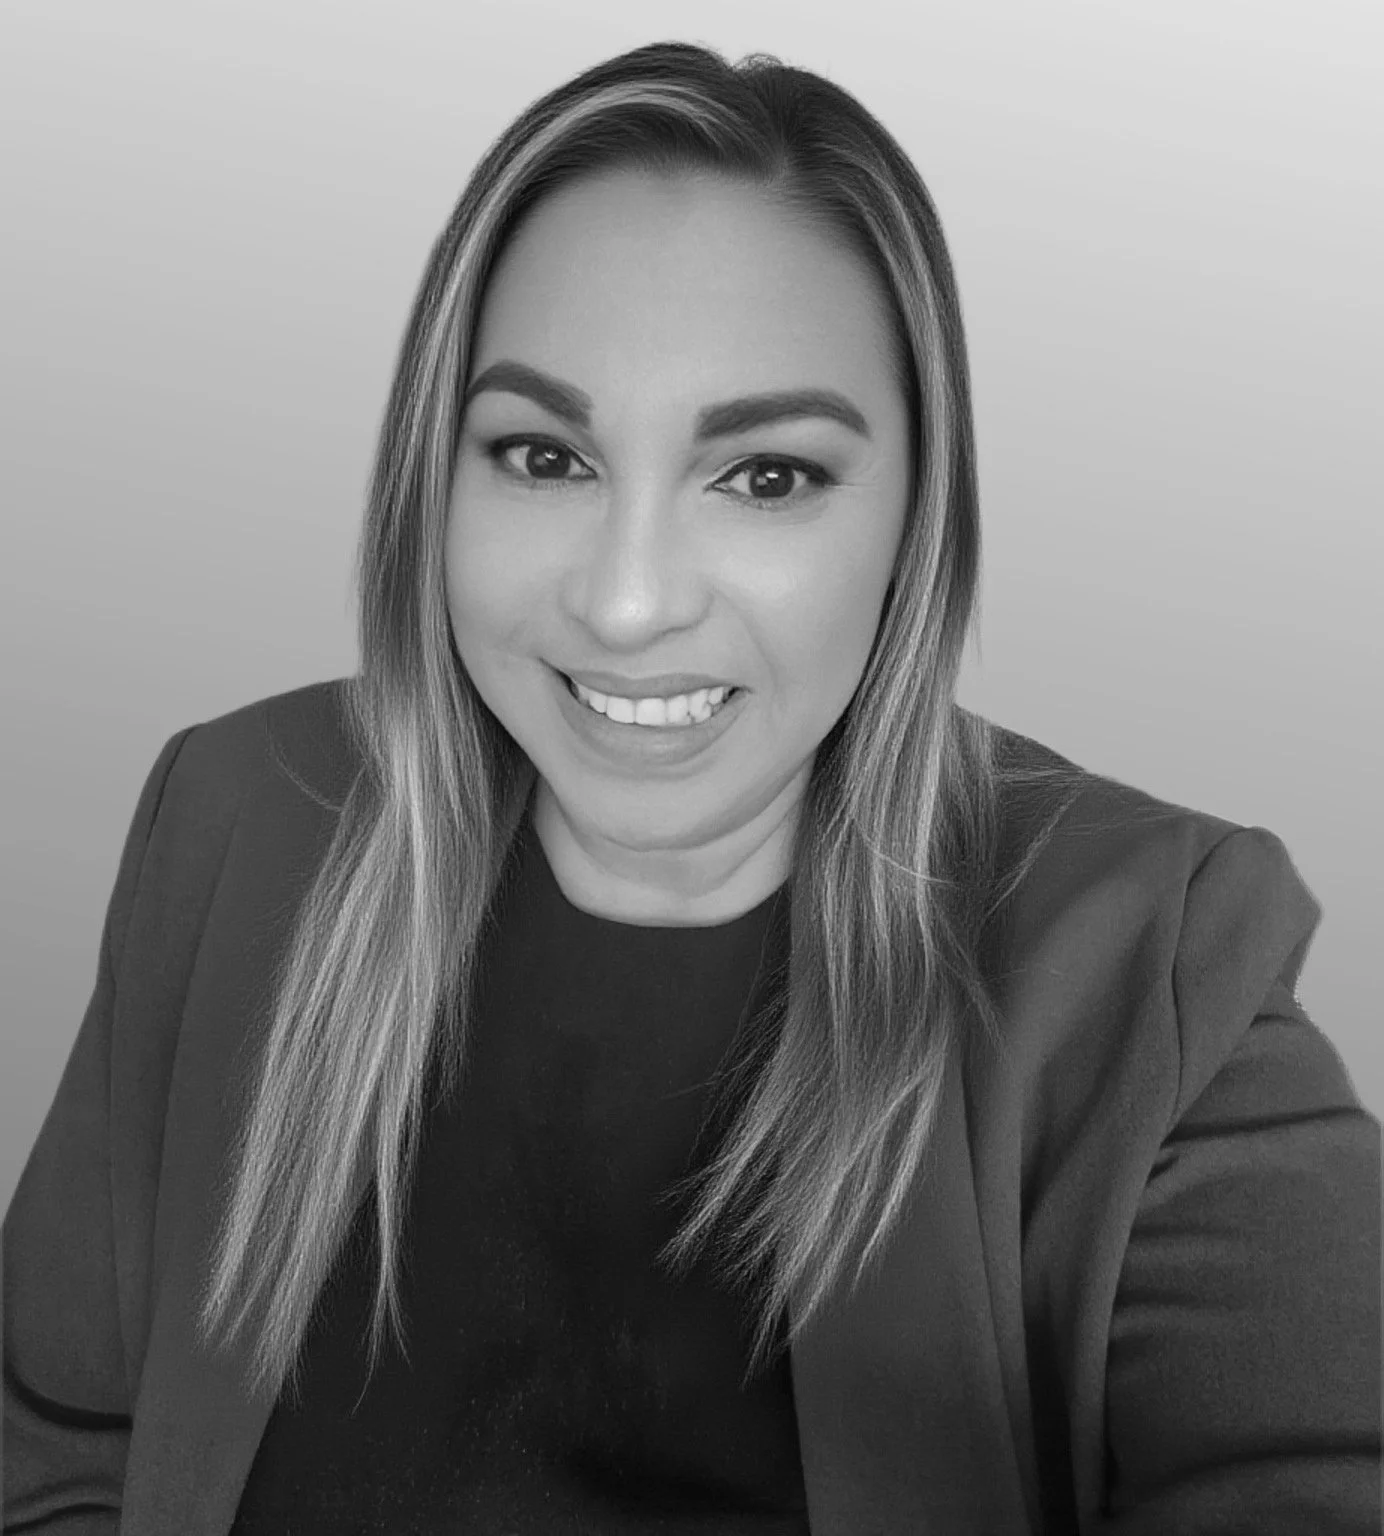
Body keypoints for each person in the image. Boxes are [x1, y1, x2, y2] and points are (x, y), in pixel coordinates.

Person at [4, 39, 1378, 1536]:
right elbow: (55, 1445)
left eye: (768, 475)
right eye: (541, 454)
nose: (630, 602)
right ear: (433, 480)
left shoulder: (1155, 969)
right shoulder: (235, 817)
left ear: (919, 515)